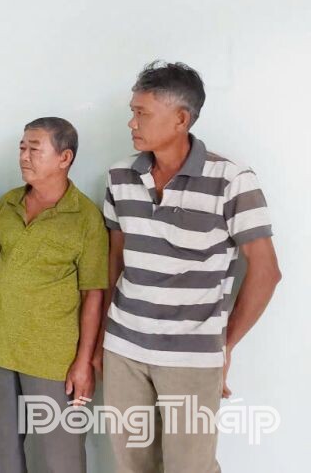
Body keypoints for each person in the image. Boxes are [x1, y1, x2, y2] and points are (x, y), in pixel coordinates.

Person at [95, 61, 282, 472]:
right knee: (132, 465)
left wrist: (225, 344)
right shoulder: (119, 176)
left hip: (192, 356)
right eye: (132, 111)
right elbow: (115, 259)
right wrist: (103, 338)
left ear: (181, 119)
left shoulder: (232, 180)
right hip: (124, 349)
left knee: (190, 467)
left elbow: (267, 272)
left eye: (141, 113)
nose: (131, 122)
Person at [0, 117, 107, 473]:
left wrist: (83, 361)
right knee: (1, 446)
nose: (24, 156)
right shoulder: (8, 204)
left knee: (58, 454)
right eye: (22, 147)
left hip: (53, 357)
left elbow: (93, 294)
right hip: (1, 347)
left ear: (64, 158)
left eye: (34, 149)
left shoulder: (85, 218)